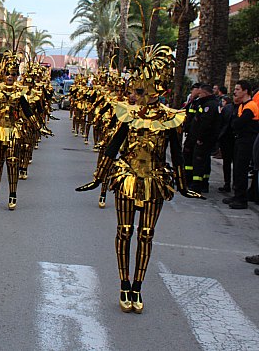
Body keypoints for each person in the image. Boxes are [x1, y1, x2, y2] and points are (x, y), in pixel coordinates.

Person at [76, 45, 202, 314]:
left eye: (141, 91)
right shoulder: (128, 116)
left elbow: (177, 154)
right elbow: (112, 147)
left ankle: (138, 286)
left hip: (155, 180)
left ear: (156, 90)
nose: (135, 95)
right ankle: (123, 283)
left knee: (146, 234)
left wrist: (183, 185)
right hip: (127, 178)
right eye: (135, 90)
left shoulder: (169, 118)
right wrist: (98, 178)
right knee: (124, 231)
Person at [0, 58, 36, 210]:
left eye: (13, 74)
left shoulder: (20, 93)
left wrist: (38, 126)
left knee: (12, 162)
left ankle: (12, 194)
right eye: (7, 73)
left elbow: (28, 111)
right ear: (2, 75)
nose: (10, 76)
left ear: (17, 76)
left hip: (14, 131)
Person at [223, 80, 259, 209]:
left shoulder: (250, 106)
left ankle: (241, 199)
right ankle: (237, 194)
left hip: (247, 141)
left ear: (245, 91)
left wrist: (236, 123)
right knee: (237, 169)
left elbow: (238, 124)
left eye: (238, 89)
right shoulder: (242, 105)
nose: (235, 92)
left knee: (241, 169)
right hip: (240, 140)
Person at [188, 84, 220, 193]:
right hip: (205, 138)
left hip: (205, 139)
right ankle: (202, 182)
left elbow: (206, 123)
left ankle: (197, 184)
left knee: (199, 161)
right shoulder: (206, 103)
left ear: (205, 93)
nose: (199, 96)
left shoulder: (209, 105)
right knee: (203, 161)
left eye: (200, 93)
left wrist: (200, 137)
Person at [218, 95, 234, 193]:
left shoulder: (244, 108)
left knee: (236, 164)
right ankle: (227, 183)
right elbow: (221, 122)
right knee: (226, 162)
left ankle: (235, 185)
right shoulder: (228, 108)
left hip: (236, 139)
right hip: (226, 139)